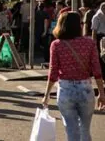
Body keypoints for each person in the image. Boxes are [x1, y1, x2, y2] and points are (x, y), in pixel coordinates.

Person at [42, 12, 105, 140]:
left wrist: (46, 95)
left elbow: (53, 72)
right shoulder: (89, 43)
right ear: (79, 26)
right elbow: (97, 70)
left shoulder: (57, 45)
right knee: (85, 130)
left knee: (71, 130)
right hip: (86, 89)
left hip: (66, 89)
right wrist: (102, 93)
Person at [91, 2, 105, 78]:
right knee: (102, 56)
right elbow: (94, 30)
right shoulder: (97, 16)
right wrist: (94, 42)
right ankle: (103, 75)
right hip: (100, 37)